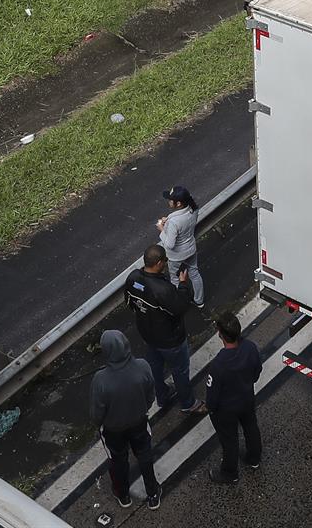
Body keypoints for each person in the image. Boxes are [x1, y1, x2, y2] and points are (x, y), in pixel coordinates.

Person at [125, 244, 202, 414]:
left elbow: (131, 304)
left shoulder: (133, 278)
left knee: (155, 369)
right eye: (165, 260)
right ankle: (188, 403)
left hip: (148, 335)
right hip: (171, 340)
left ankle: (162, 396)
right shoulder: (163, 289)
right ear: (159, 263)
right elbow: (180, 307)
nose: (166, 264)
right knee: (180, 371)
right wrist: (183, 284)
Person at [90, 329, 162, 510]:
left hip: (113, 430)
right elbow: (151, 394)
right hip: (139, 422)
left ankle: (123, 495)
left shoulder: (101, 380)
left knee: (118, 460)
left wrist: (99, 424)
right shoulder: (143, 366)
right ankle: (152, 493)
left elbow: (97, 412)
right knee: (144, 455)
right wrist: (143, 409)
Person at [205, 311, 265, 485]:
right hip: (246, 398)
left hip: (226, 410)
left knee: (229, 440)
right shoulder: (250, 348)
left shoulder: (218, 365)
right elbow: (256, 372)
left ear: (220, 335)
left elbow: (212, 396)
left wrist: (211, 409)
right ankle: (254, 458)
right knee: (251, 427)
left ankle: (230, 472)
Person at [157, 185, 203, 307]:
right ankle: (199, 301)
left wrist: (162, 229)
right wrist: (168, 221)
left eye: (171, 200)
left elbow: (170, 244)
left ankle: (179, 303)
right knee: (194, 274)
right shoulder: (193, 210)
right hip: (191, 249)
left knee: (175, 278)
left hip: (176, 255)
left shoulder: (174, 222)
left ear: (178, 204)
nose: (169, 201)